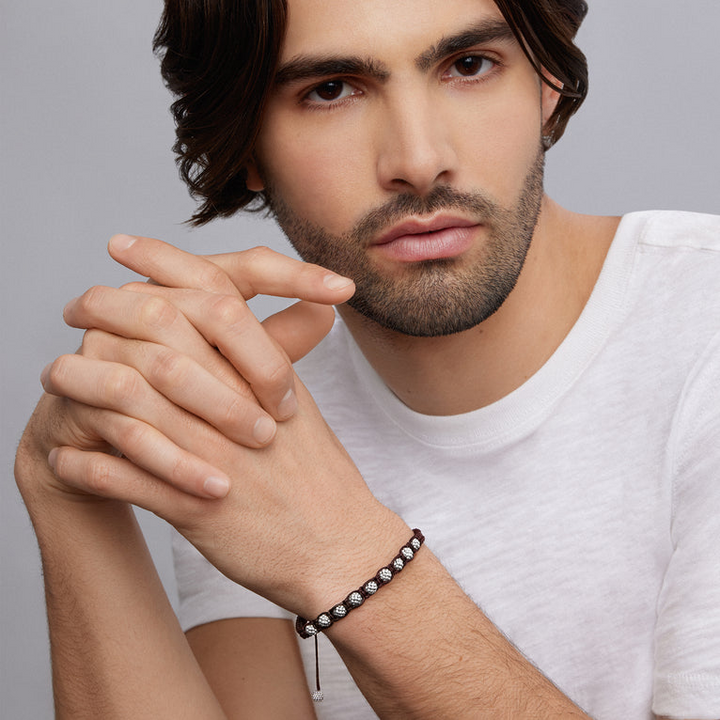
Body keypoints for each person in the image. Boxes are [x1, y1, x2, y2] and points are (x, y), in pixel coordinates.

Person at [14, 0, 720, 718]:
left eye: (468, 66)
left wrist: (345, 553)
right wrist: (64, 489)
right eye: (331, 90)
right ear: (247, 142)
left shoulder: (704, 329)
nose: (418, 161)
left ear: (546, 82)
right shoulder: (260, 424)